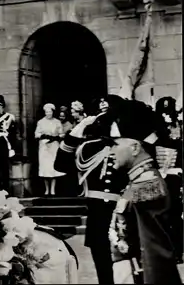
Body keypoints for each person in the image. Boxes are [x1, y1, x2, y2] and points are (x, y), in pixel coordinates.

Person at [55, 94, 127, 284]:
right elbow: (60, 165)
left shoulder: (132, 145)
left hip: (127, 212)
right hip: (99, 213)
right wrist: (78, 128)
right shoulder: (88, 148)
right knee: (104, 270)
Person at [107, 99, 181, 283]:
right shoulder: (138, 182)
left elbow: (152, 252)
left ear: (134, 147)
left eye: (115, 144)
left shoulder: (148, 186)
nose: (111, 151)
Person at [155, 96, 183, 264]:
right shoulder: (154, 130)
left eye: (168, 109)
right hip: (157, 176)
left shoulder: (179, 128)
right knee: (160, 216)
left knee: (174, 216)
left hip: (173, 177)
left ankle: (177, 250)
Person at [35, 103, 65, 196]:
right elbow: (36, 134)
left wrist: (56, 137)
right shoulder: (40, 122)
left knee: (53, 167)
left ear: (53, 112)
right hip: (44, 147)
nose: (48, 113)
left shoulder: (57, 122)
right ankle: (46, 189)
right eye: (46, 112)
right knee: (45, 168)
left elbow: (62, 133)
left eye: (50, 112)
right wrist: (42, 136)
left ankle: (53, 189)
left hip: (54, 146)